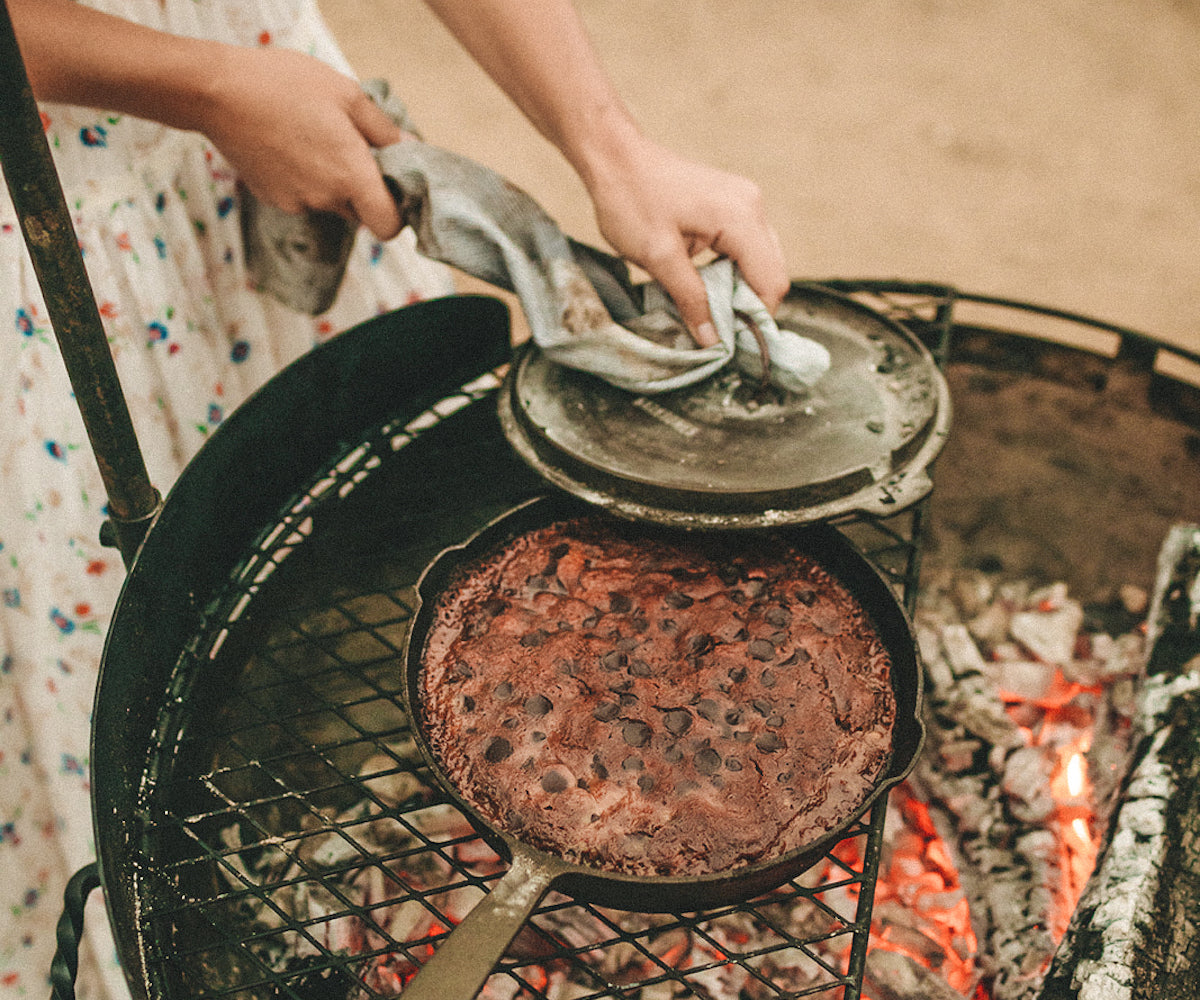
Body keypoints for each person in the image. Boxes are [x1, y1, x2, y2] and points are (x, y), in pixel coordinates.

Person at [0, 1, 789, 995]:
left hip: (283, 114)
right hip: (52, 234)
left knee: (335, 588)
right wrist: (208, 86)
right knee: (141, 684)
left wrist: (610, 145)